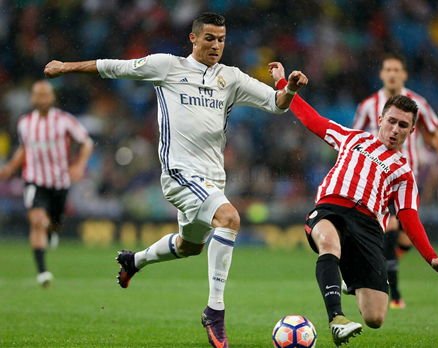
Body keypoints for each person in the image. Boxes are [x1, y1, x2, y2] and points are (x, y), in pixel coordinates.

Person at [44, 12, 307, 348]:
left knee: (190, 246)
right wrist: (65, 66)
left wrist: (291, 89)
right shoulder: (167, 66)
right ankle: (215, 311)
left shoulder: (231, 78)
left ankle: (134, 260)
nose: (216, 45)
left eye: (221, 39)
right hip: (179, 173)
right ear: (193, 39)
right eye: (209, 38)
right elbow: (114, 66)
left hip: (212, 178)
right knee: (229, 218)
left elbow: (277, 104)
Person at [269, 62, 438, 347]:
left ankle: (352, 276)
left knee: (375, 318)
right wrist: (284, 84)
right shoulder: (352, 138)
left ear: (411, 133)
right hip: (332, 208)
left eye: (403, 126)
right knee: (328, 242)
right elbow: (312, 120)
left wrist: (431, 257)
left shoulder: (404, 173)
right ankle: (336, 319)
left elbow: (409, 216)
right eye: (392, 121)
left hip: (370, 227)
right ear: (381, 119)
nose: (395, 129)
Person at [352, 53, 438, 309]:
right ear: (382, 74)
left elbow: (433, 133)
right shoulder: (369, 105)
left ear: (404, 74)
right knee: (390, 230)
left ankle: (370, 270)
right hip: (379, 177)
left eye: (397, 69)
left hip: (407, 178)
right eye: (388, 69)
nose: (392, 74)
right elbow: (354, 136)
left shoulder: (418, 103)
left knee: (405, 239)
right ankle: (393, 293)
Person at [0, 80, 93, 287]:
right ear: (32, 98)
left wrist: (79, 166)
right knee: (37, 221)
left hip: (59, 182)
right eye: (37, 95)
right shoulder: (24, 123)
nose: (41, 99)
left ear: (52, 97)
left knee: (54, 223)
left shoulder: (64, 120)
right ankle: (42, 271)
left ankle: (52, 231)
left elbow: (86, 142)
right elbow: (24, 149)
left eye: (45, 95)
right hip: (34, 181)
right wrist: (9, 168)